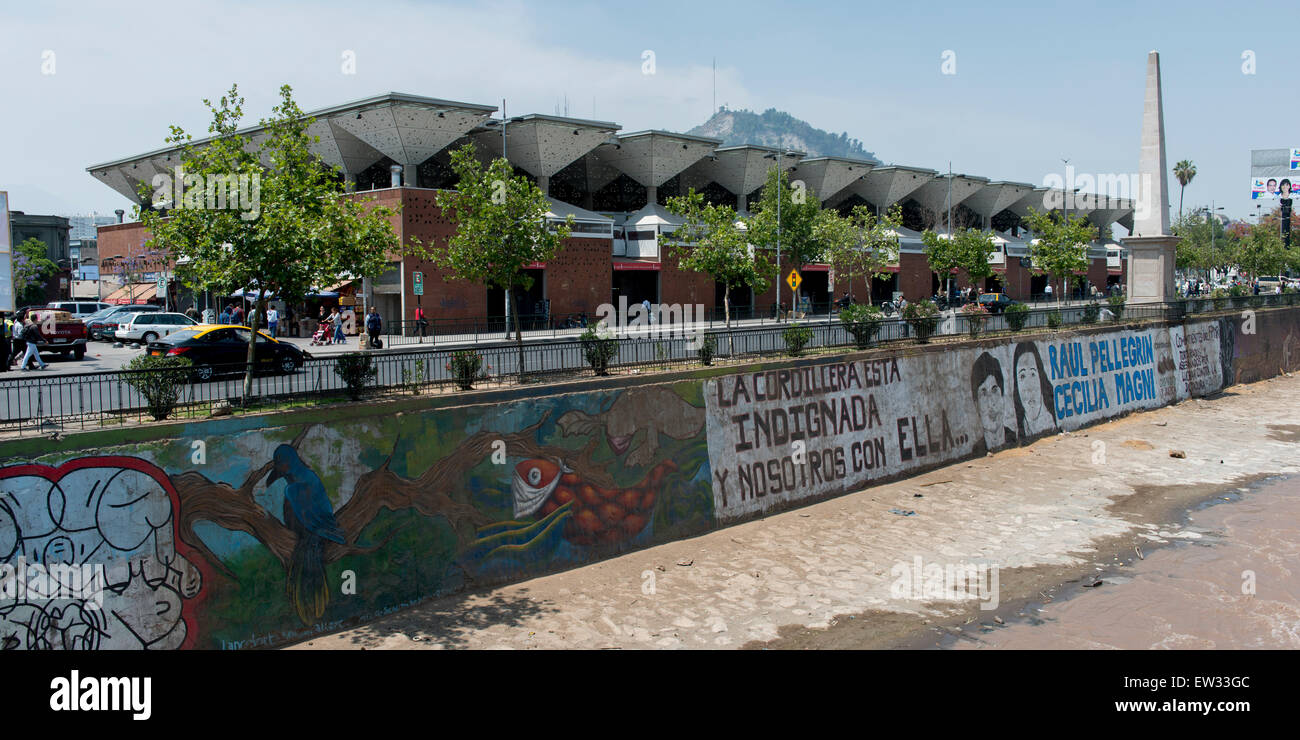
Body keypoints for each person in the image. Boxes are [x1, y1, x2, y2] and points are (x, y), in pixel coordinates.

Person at [970, 351, 1017, 455]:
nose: (991, 403)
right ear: (976, 404)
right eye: (983, 393)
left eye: (995, 390)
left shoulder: (1014, 439)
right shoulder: (977, 450)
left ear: (1003, 397)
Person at [1012, 341, 1056, 439]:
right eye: (1022, 376)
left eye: (1033, 374)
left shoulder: (1052, 423)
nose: (1029, 387)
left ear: (1041, 378)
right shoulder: (1021, 430)